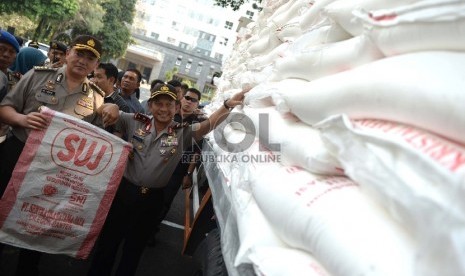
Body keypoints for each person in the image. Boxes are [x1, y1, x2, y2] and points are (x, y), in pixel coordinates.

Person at [87, 83, 248, 276]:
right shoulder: (133, 121)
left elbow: (209, 125)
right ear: (150, 105)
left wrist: (228, 105)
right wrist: (110, 106)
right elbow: (105, 110)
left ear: (176, 108)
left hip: (151, 200)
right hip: (123, 194)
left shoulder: (183, 132)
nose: (163, 109)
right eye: (159, 104)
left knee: (133, 250)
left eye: (169, 105)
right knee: (107, 245)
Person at [0, 34, 119, 276]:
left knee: (37, 220)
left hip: (55, 171)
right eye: (79, 53)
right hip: (18, 154)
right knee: (3, 209)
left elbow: (97, 139)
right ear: (68, 54)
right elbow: (4, 108)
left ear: (96, 65)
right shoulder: (37, 76)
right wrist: (22, 119)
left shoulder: (96, 98)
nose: (83, 61)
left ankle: (27, 267)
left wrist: (113, 107)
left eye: (90, 58)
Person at [147, 87, 206, 247]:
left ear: (197, 104)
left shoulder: (198, 124)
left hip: (178, 169)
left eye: (193, 100)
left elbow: (196, 152)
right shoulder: (171, 116)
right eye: (187, 98)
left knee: (164, 201)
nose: (189, 101)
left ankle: (151, 231)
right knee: (148, 196)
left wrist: (188, 174)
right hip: (157, 164)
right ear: (181, 100)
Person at [91, 62, 130, 133]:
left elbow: (117, 135)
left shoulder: (121, 106)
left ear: (111, 80)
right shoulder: (90, 95)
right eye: (94, 76)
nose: (94, 80)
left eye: (99, 77)